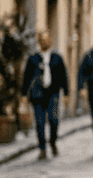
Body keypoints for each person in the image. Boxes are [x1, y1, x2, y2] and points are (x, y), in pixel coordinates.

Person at [20, 31, 69, 160]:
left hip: (53, 93)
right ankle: (42, 148)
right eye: (42, 40)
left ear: (50, 41)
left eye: (46, 40)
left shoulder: (57, 57)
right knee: (40, 122)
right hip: (38, 95)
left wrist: (66, 93)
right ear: (39, 42)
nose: (44, 42)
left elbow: (63, 75)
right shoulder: (33, 58)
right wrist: (24, 94)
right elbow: (26, 77)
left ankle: (52, 142)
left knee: (53, 119)